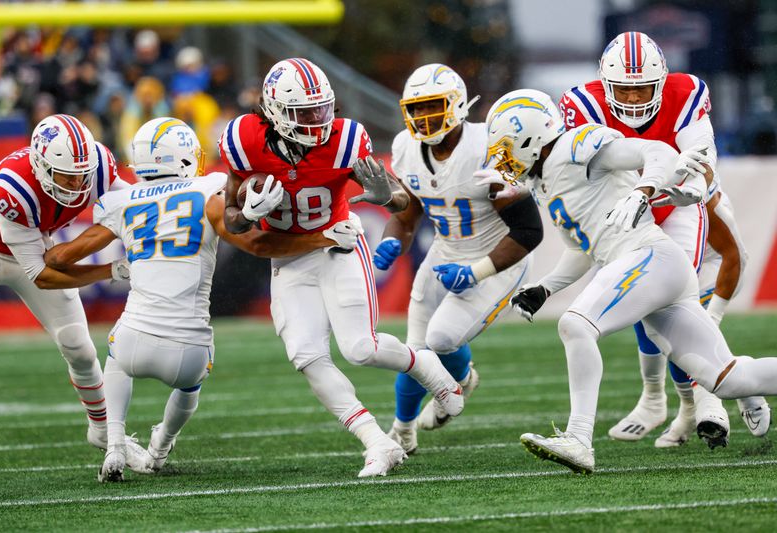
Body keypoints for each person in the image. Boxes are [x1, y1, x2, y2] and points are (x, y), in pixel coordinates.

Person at [42, 117, 363, 481]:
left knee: (115, 358)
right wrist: (281, 224)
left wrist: (109, 266)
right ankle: (160, 448)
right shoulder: (206, 191)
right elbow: (254, 239)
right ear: (182, 158)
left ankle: (114, 443)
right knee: (189, 385)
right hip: (189, 350)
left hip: (132, 341)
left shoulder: (122, 201)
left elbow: (58, 260)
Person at [481, 88, 777, 474]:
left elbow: (659, 153)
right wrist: (546, 287)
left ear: (530, 136)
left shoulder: (575, 143)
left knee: (575, 325)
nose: (502, 158)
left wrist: (642, 191)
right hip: (650, 266)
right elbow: (587, 248)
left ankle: (578, 439)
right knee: (728, 380)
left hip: (651, 256)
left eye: (505, 147)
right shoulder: (546, 181)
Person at [218, 58, 465, 477]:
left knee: (360, 348)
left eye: (322, 109)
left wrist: (384, 194)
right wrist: (247, 209)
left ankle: (432, 372)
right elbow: (231, 219)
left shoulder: (346, 139)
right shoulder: (244, 140)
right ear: (275, 111)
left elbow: (403, 203)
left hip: (339, 245)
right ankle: (376, 442)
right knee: (305, 354)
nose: (318, 121)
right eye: (305, 113)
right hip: (289, 257)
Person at [559, 31, 768, 448]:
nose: (634, 101)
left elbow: (702, 160)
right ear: (606, 84)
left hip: (680, 201)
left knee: (670, 303)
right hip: (624, 207)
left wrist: (689, 186)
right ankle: (700, 392)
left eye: (643, 91)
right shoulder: (582, 103)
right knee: (653, 311)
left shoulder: (686, 92)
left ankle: (705, 398)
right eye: (625, 91)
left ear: (661, 82)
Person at [374, 64, 542, 453]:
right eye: (416, 109)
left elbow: (529, 231)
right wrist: (392, 240)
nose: (423, 117)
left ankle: (462, 377)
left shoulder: (490, 146)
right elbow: (407, 214)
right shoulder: (405, 148)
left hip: (496, 259)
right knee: (414, 351)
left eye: (432, 106)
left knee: (441, 338)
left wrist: (476, 272)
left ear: (457, 105)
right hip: (445, 253)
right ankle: (402, 430)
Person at [0, 114, 148, 460]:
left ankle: (102, 431)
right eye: (67, 177)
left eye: (81, 176)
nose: (76, 186)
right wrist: (110, 270)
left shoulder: (96, 165)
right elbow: (42, 275)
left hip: (37, 243)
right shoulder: (13, 190)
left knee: (79, 346)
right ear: (41, 166)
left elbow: (137, 205)